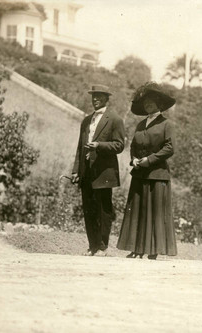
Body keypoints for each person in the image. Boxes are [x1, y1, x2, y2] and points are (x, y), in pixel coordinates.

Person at [116, 82, 177, 260]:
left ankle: (153, 251)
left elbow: (169, 148)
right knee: (138, 211)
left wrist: (149, 160)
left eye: (151, 102)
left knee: (155, 212)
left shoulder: (166, 124)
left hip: (157, 175)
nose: (148, 105)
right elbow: (133, 146)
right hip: (140, 173)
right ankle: (137, 249)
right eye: (146, 103)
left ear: (159, 104)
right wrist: (134, 159)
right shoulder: (140, 125)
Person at [72, 84, 125, 257]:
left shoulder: (115, 119)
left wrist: (99, 146)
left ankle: (102, 246)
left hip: (104, 172)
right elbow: (80, 147)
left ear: (106, 99)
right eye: (93, 96)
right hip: (86, 170)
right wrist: (75, 171)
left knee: (103, 209)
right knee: (89, 209)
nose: (95, 99)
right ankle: (92, 245)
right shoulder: (86, 120)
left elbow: (119, 145)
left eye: (99, 96)